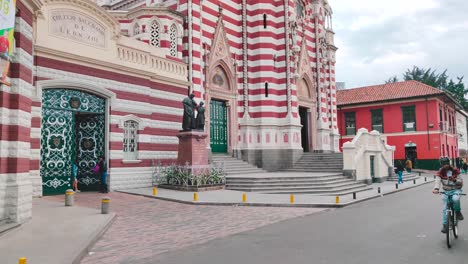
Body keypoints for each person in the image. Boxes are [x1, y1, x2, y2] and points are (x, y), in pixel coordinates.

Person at [433, 164, 464, 233]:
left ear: (449, 163)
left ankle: (458, 212)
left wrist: (454, 180)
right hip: (446, 191)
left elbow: (461, 181)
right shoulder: (440, 172)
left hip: (456, 189)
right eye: (443, 164)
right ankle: (445, 225)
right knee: (445, 207)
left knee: (455, 199)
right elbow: (437, 181)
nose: (445, 165)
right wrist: (436, 188)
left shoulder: (455, 170)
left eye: (446, 163)